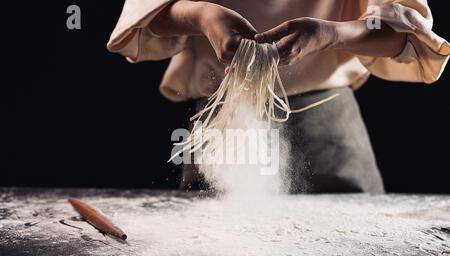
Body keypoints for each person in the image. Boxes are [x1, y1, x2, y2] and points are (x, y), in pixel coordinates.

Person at [108, 0, 449, 193]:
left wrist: (333, 33)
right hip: (226, 122)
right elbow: (146, 16)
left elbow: (405, 30)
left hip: (328, 126)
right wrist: (202, 16)